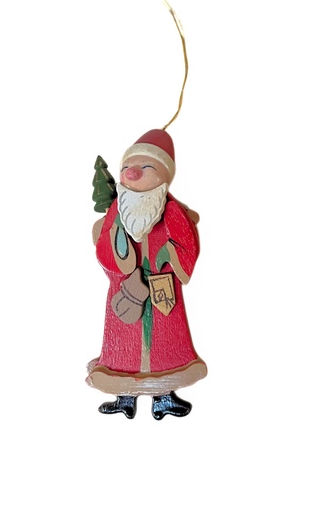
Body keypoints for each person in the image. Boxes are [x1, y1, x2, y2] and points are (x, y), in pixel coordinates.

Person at [86, 129, 207, 419]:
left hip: (161, 288)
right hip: (124, 290)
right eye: (127, 166)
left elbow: (185, 247)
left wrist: (169, 255)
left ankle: (163, 396)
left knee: (165, 340)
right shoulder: (118, 210)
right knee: (122, 340)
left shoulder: (173, 211)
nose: (133, 173)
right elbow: (105, 252)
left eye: (146, 166)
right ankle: (124, 396)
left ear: (164, 175)